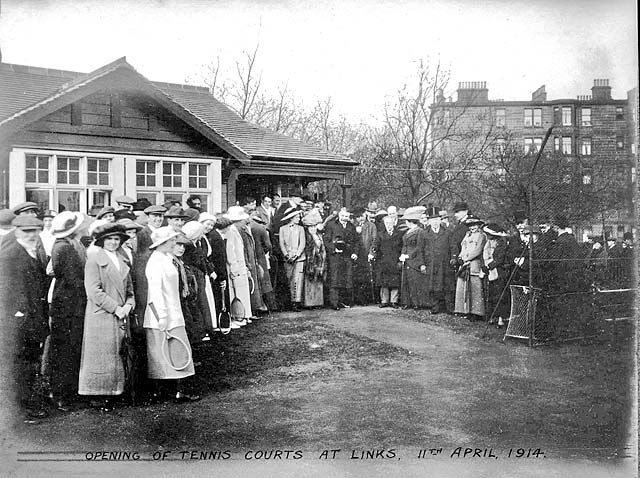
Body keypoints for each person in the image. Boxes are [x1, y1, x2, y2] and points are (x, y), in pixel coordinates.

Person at [78, 223, 135, 411]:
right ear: (102, 241)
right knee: (101, 356)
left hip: (120, 313)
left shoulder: (123, 259)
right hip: (102, 315)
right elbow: (93, 291)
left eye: (117, 239)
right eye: (109, 239)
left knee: (118, 354)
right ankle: (99, 395)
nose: (113, 242)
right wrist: (115, 308)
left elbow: (129, 290)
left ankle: (116, 391)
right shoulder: (94, 260)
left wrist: (128, 305)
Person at [0, 215, 50, 422]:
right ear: (17, 231)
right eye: (26, 231)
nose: (31, 235)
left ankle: (26, 405)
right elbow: (7, 289)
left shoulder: (30, 251)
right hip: (19, 320)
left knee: (28, 363)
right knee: (20, 364)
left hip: (31, 317)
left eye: (34, 231)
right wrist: (19, 314)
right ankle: (22, 409)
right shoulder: (10, 255)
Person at [144, 226, 198, 402]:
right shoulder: (155, 262)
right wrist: (163, 317)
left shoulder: (167, 258)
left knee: (178, 352)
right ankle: (166, 392)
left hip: (174, 313)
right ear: (163, 243)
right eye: (172, 240)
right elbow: (156, 293)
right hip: (162, 316)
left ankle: (179, 390)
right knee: (163, 354)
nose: (175, 243)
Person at [48, 211, 87, 411]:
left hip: (69, 304)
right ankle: (62, 394)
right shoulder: (64, 248)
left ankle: (65, 392)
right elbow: (73, 280)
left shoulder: (68, 245)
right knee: (65, 350)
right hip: (68, 306)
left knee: (69, 349)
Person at [182, 221, 216, 339]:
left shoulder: (195, 244)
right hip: (195, 276)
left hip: (198, 275)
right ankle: (201, 330)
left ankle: (204, 329)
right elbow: (198, 261)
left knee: (201, 303)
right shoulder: (190, 246)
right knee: (199, 303)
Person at [217, 214, 252, 327]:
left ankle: (243, 315)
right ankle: (238, 316)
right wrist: (233, 266)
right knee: (236, 292)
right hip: (235, 266)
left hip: (239, 264)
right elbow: (230, 250)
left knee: (241, 291)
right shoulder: (231, 231)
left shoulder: (234, 230)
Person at [323, 208, 360, 310]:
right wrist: (334, 249)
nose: (344, 218)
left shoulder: (351, 227)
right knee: (335, 279)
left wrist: (355, 253)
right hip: (335, 256)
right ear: (339, 215)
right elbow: (326, 240)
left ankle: (343, 301)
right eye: (343, 216)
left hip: (347, 256)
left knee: (347, 279)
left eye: (347, 217)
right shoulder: (331, 225)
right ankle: (334, 303)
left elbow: (356, 241)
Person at [454, 215, 487, 319]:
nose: (472, 227)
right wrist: (460, 257)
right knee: (462, 286)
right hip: (464, 264)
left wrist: (467, 259)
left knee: (475, 288)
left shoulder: (481, 236)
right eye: (470, 225)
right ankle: (463, 310)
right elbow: (463, 247)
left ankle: (476, 312)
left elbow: (478, 250)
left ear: (478, 225)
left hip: (474, 265)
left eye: (474, 225)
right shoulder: (467, 235)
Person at [399, 206, 428, 309]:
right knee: (407, 282)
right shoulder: (408, 232)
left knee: (415, 283)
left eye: (406, 221)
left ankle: (416, 303)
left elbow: (419, 247)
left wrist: (408, 255)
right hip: (406, 260)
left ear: (410, 221)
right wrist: (403, 254)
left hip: (414, 261)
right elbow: (405, 245)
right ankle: (408, 303)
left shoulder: (420, 232)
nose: (406, 223)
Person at [481, 223, 510, 327]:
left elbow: (500, 259)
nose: (487, 235)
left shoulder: (502, 243)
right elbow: (485, 255)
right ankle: (494, 316)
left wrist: (490, 266)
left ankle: (501, 319)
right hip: (490, 271)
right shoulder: (488, 243)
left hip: (499, 271)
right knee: (492, 294)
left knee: (500, 295)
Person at [422, 206, 450, 314]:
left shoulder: (446, 232)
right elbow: (420, 250)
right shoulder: (424, 233)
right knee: (432, 284)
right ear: (429, 221)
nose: (435, 222)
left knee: (443, 284)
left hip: (443, 263)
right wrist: (422, 264)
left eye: (437, 220)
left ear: (440, 220)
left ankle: (444, 306)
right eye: (432, 220)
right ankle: (434, 306)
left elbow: (451, 247)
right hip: (430, 263)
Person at [373, 214, 403, 308]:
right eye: (386, 223)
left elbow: (402, 247)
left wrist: (400, 258)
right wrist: (372, 253)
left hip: (395, 260)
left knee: (395, 282)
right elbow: (375, 246)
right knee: (384, 282)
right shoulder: (380, 234)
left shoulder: (399, 234)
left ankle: (394, 301)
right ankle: (384, 301)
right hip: (383, 261)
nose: (388, 225)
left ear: (394, 223)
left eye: (390, 223)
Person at [279, 206, 306, 311]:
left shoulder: (301, 229)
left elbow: (302, 243)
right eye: (297, 217)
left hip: (299, 259)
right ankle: (289, 301)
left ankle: (296, 302)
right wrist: (286, 254)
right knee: (289, 279)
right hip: (287, 259)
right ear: (291, 218)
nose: (299, 218)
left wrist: (297, 255)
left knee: (297, 280)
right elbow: (281, 243)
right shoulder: (282, 229)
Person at [249, 213, 276, 311]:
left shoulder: (249, 227)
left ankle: (258, 305)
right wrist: (262, 251)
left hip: (251, 257)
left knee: (256, 281)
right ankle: (269, 306)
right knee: (265, 281)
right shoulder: (261, 228)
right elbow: (268, 245)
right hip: (260, 257)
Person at [302, 209, 326, 308]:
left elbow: (323, 248)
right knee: (310, 282)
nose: (312, 228)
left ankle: (318, 302)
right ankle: (309, 303)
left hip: (319, 261)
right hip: (310, 261)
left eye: (314, 226)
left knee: (318, 281)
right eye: (310, 226)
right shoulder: (307, 237)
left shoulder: (319, 236)